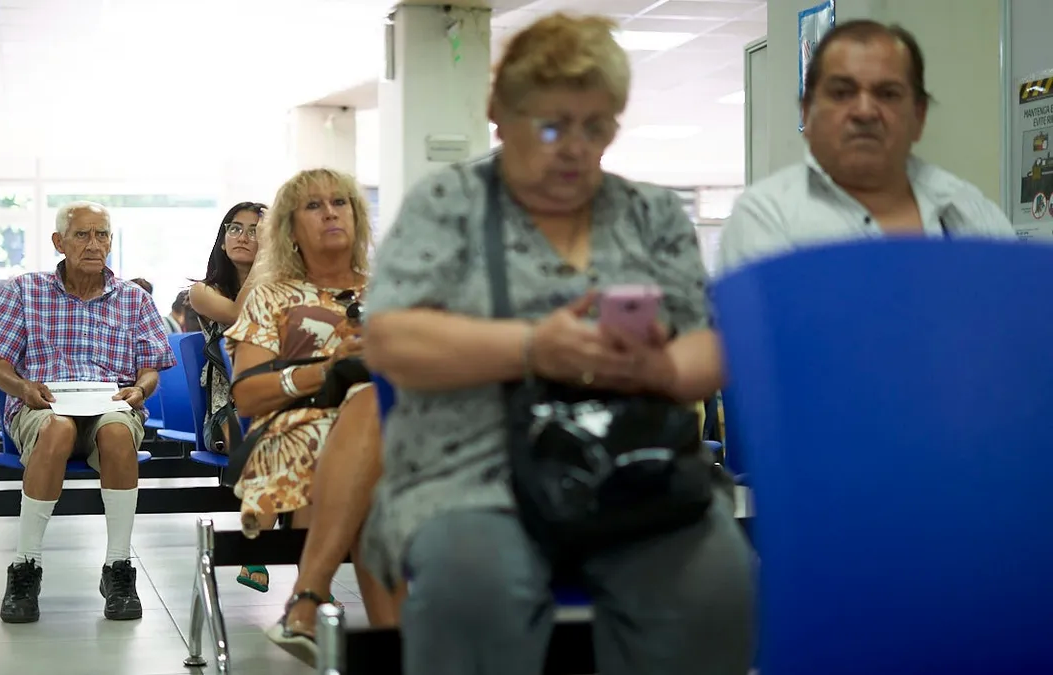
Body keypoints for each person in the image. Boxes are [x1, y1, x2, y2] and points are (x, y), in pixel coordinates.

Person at [359, 14, 754, 675]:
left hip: (631, 464)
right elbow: (390, 338)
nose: (574, 147)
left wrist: (659, 364)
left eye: (595, 127)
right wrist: (531, 346)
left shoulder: (651, 215)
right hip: (473, 473)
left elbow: (705, 350)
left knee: (716, 584)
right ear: (499, 115)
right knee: (474, 590)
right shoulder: (447, 205)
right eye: (551, 125)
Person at [224, 169, 402, 663]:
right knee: (368, 408)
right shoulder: (270, 296)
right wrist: (328, 371)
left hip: (393, 437)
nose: (330, 212)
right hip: (294, 432)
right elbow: (248, 398)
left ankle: (307, 602)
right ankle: (392, 640)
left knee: (376, 421)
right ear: (289, 228)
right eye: (314, 206)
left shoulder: (391, 293)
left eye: (341, 202)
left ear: (357, 215)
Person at [0, 201, 176, 624]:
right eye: (82, 234)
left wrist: (138, 390)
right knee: (58, 430)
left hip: (109, 404)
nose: (93, 244)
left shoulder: (134, 299)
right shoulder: (23, 290)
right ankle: (25, 567)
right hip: (45, 402)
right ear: (59, 242)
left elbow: (151, 369)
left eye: (102, 235)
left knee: (118, 433)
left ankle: (118, 568)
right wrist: (24, 389)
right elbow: (1, 368)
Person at [719, 20, 1014, 272]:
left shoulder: (968, 211)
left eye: (887, 94)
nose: (864, 111)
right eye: (842, 93)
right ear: (806, 113)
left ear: (919, 116)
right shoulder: (766, 217)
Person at [188, 201, 268, 590]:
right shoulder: (202, 292)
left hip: (276, 405)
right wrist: (265, 262)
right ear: (221, 239)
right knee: (271, 444)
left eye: (256, 231)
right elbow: (240, 314)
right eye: (234, 228)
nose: (243, 237)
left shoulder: (284, 291)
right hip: (226, 414)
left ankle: (311, 584)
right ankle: (256, 552)